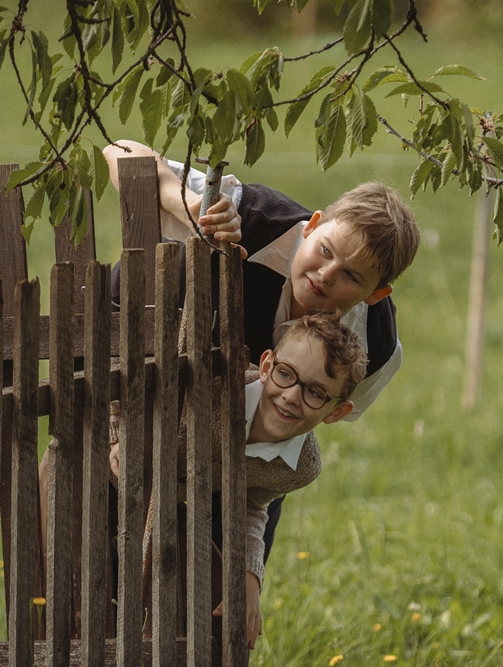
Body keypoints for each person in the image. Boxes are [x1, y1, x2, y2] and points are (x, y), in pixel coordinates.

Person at [103, 140, 420, 562]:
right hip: (144, 380)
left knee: (222, 594)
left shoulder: (376, 349)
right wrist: (196, 209)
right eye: (324, 250)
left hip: (247, 460)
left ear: (376, 294)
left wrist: (246, 565)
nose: (324, 275)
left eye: (350, 276)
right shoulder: (253, 216)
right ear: (313, 224)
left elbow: (290, 431)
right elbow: (120, 151)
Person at [110, 312, 367, 649]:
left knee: (213, 596)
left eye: (316, 393)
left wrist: (249, 573)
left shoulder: (300, 466)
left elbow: (250, 503)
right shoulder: (213, 385)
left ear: (336, 412)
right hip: (92, 478)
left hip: (159, 510)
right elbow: (122, 376)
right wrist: (116, 434)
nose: (291, 396)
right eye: (286, 374)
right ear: (266, 365)